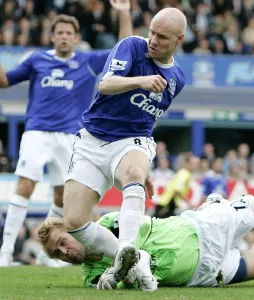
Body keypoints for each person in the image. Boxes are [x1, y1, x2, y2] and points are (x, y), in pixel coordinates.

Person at [0, 0, 133, 267]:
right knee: (25, 186)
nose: (63, 37)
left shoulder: (87, 61)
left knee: (62, 197)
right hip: (37, 132)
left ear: (75, 38)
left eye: (68, 33)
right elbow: (4, 81)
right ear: (52, 36)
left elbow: (123, 50)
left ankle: (43, 254)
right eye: (59, 33)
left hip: (71, 137)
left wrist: (124, 14)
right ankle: (4, 253)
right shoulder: (38, 60)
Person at [62, 7, 187, 290]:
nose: (153, 40)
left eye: (162, 37)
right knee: (74, 221)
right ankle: (132, 258)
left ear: (178, 40)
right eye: (152, 32)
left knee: (133, 173)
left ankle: (128, 247)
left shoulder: (177, 79)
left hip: (131, 141)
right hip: (92, 141)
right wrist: (140, 81)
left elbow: (148, 120)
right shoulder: (132, 46)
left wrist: (143, 168)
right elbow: (105, 85)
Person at [37, 194, 254, 290]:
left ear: (72, 229)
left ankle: (222, 204)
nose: (65, 252)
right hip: (204, 274)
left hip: (203, 230)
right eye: (57, 254)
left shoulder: (109, 223)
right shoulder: (90, 277)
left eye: (62, 242)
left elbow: (137, 255)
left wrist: (118, 272)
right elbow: (125, 283)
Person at [154, 152, 200, 218]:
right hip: (166, 205)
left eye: (197, 164)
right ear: (187, 163)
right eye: (194, 164)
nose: (196, 166)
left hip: (169, 205)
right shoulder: (184, 174)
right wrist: (190, 203)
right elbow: (178, 191)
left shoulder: (184, 173)